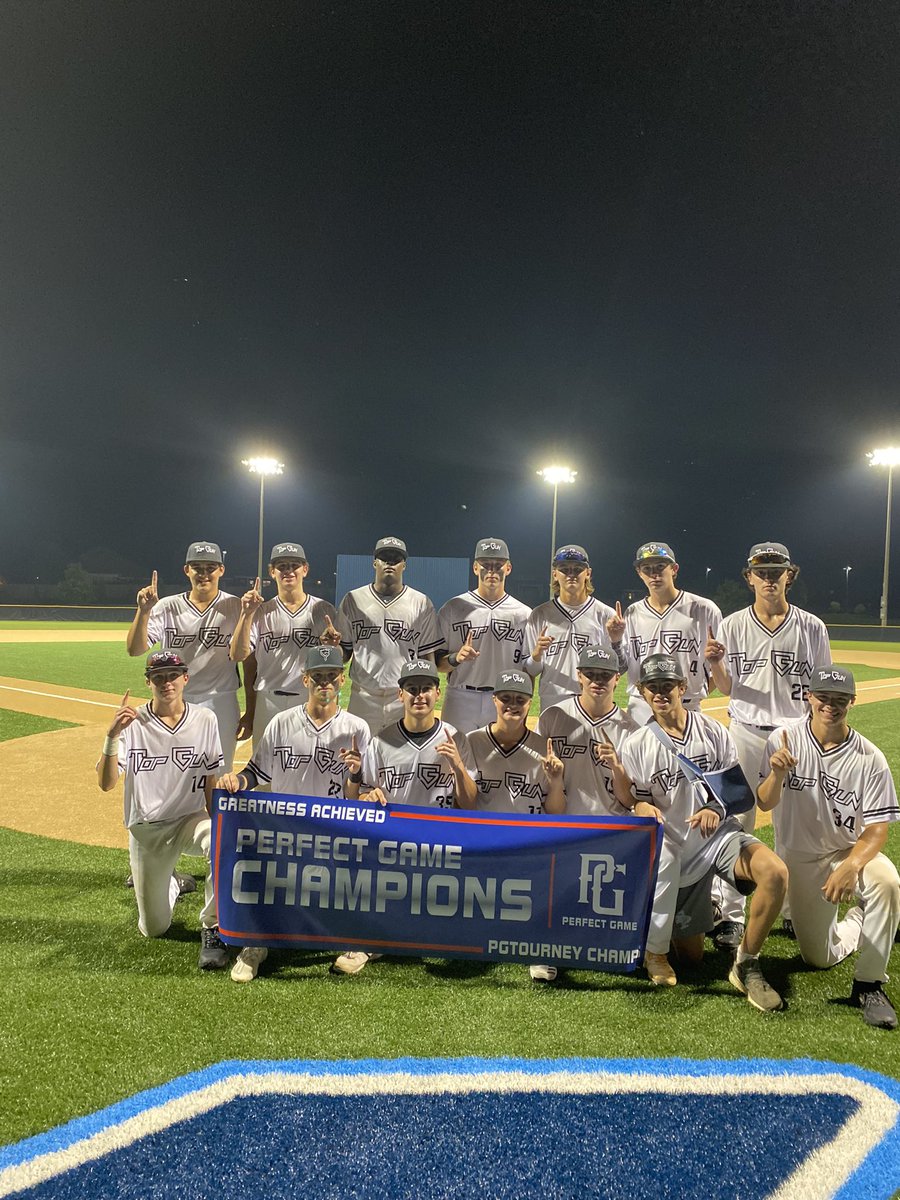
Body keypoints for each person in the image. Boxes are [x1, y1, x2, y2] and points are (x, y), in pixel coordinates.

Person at [619, 654, 787, 1011]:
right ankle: (707, 907)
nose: (661, 693)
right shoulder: (636, 745)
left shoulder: (712, 730)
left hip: (719, 840)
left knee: (774, 872)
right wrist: (637, 805)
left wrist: (716, 808)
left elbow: (740, 792)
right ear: (642, 692)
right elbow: (630, 802)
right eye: (653, 687)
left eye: (668, 685)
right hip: (678, 852)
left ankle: (746, 963)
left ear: (683, 688)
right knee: (692, 958)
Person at [215, 645, 371, 982]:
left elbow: (357, 797)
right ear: (305, 680)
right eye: (318, 677)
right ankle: (255, 944)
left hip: (334, 832)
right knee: (264, 880)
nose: (325, 683)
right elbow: (256, 773)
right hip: (286, 829)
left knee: (350, 887)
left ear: (342, 679)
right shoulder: (281, 723)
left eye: (331, 676)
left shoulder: (357, 728)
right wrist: (236, 779)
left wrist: (356, 775)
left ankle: (353, 941)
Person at [758, 666, 900, 1029]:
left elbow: (877, 827)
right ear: (810, 697)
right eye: (823, 698)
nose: (830, 706)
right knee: (817, 959)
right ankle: (859, 921)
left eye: (839, 700)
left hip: (845, 851)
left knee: (887, 882)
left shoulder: (870, 758)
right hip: (800, 859)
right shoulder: (783, 740)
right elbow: (765, 803)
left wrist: (852, 866)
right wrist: (776, 774)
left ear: (852, 702)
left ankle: (869, 984)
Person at [706, 541, 831, 949]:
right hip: (743, 729)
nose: (769, 578)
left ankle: (796, 909)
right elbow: (726, 687)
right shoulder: (732, 623)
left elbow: (823, 687)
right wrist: (715, 664)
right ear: (749, 578)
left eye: (777, 570)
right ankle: (731, 915)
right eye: (761, 571)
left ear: (789, 575)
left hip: (794, 732)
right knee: (737, 818)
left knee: (794, 822)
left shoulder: (812, 626)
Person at [335, 658, 478, 974]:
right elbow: (356, 796)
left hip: (441, 844)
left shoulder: (456, 739)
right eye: (412, 689)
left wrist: (457, 767)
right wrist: (366, 793)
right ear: (400, 695)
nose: (419, 696)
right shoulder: (381, 740)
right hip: (393, 844)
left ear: (437, 693)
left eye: (426, 688)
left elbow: (469, 803)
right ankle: (367, 942)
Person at [96, 652, 230, 970]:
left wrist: (220, 824)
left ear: (185, 678)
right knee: (154, 929)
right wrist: (112, 735)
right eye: (158, 677)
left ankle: (212, 928)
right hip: (147, 829)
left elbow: (211, 780)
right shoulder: (133, 722)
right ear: (148, 682)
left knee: (219, 841)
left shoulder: (205, 720)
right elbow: (106, 783)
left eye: (172, 675)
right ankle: (172, 883)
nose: (166, 682)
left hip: (189, 819)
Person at [467, 668, 565, 982]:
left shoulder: (543, 747)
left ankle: (539, 948)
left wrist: (556, 780)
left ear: (530, 703)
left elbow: (557, 813)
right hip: (485, 842)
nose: (513, 705)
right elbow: (464, 805)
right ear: (493, 700)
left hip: (530, 843)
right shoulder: (472, 742)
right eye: (505, 698)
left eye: (520, 699)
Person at [126, 542, 243, 770]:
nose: (204, 574)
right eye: (197, 567)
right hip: (176, 700)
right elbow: (135, 649)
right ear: (186, 570)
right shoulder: (167, 606)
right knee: (174, 769)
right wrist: (144, 610)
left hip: (220, 699)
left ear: (221, 570)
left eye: (210, 567)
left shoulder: (235, 606)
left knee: (219, 770)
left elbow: (248, 658)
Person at [324, 537, 442, 734]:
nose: (390, 563)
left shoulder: (421, 603)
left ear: (404, 564)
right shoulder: (353, 599)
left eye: (396, 558)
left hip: (403, 697)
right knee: (359, 758)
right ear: (374, 562)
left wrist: (427, 695)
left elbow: (426, 658)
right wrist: (332, 646)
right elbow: (344, 655)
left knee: (401, 759)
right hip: (363, 696)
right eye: (384, 557)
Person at [230, 542, 338, 747]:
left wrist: (333, 647)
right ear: (272, 572)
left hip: (309, 700)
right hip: (268, 700)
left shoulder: (324, 610)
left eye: (294, 565)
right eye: (282, 566)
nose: (288, 571)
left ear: (305, 569)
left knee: (308, 768)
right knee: (264, 773)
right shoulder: (260, 612)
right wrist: (246, 614)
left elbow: (339, 662)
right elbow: (238, 655)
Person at [606, 541, 722, 725]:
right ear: (639, 573)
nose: (654, 573)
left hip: (687, 705)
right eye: (647, 568)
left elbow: (722, 662)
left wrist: (699, 691)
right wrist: (616, 641)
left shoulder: (704, 609)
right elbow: (621, 667)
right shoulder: (633, 613)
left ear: (674, 569)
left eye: (660, 566)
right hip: (641, 707)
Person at [435, 538, 532, 734]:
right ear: (475, 568)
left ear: (508, 568)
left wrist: (525, 703)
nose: (492, 570)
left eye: (498, 565)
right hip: (460, 697)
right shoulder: (454, 608)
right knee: (453, 759)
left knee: (498, 762)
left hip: (504, 699)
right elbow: (437, 664)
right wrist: (456, 658)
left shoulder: (524, 614)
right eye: (486, 564)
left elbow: (527, 668)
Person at [537, 645, 640, 816]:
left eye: (605, 675)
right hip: (562, 823)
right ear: (579, 676)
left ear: (617, 678)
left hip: (610, 826)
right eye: (590, 674)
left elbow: (631, 800)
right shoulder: (552, 717)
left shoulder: (630, 730)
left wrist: (616, 767)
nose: (597, 681)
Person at [524, 545, 623, 712]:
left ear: (588, 573)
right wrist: (537, 654)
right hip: (552, 698)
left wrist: (616, 641)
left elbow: (619, 667)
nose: (571, 574)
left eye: (577, 569)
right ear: (555, 574)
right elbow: (531, 670)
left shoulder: (605, 614)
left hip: (592, 698)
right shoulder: (539, 615)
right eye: (564, 569)